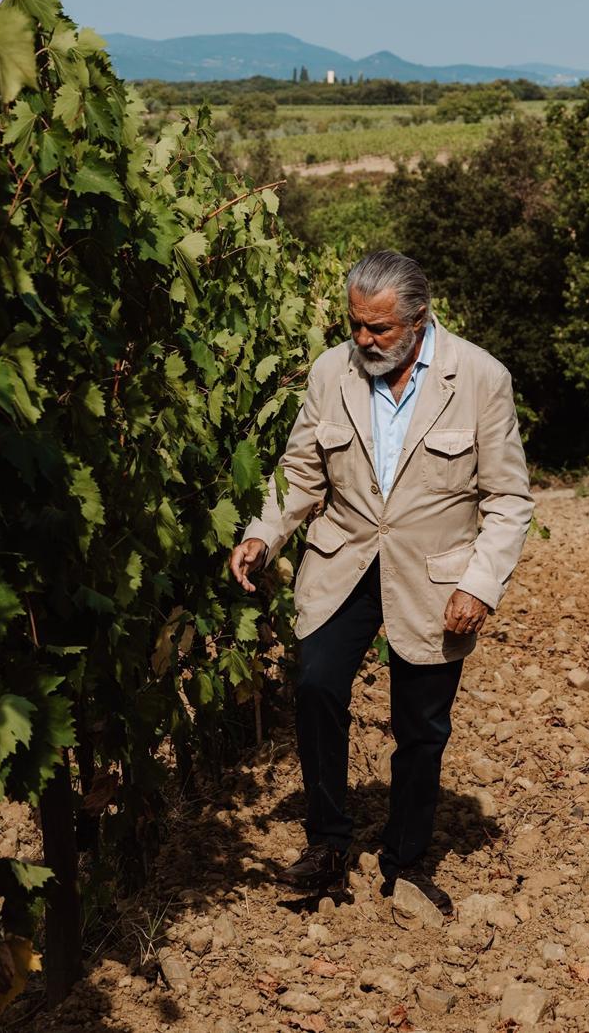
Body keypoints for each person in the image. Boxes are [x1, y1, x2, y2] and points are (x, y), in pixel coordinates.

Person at [230, 250, 533, 912]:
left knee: (421, 726)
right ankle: (327, 842)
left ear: (419, 320)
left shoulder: (479, 377)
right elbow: (301, 474)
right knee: (314, 688)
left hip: (434, 580)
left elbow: (508, 499)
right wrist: (262, 534)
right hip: (341, 566)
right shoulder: (329, 373)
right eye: (355, 325)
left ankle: (406, 860)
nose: (362, 340)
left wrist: (479, 585)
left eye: (378, 329)